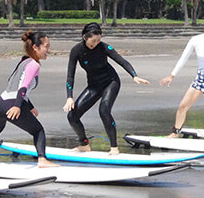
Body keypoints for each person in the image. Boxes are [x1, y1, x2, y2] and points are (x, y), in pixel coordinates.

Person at [63, 22, 149, 155]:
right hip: (94, 86)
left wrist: (134, 76)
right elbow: (70, 75)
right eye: (93, 41)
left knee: (104, 110)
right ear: (85, 37)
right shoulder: (76, 51)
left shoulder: (104, 47)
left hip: (111, 82)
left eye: (98, 40)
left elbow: (121, 60)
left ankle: (114, 147)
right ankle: (84, 144)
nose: (95, 43)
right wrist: (69, 97)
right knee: (72, 116)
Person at [0, 30, 58, 167]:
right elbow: (23, 87)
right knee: (38, 130)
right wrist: (17, 106)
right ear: (35, 47)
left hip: (0, 102)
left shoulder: (24, 61)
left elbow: (13, 84)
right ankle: (42, 160)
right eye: (46, 46)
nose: (48, 50)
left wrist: (30, 107)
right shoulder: (34, 64)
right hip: (13, 103)